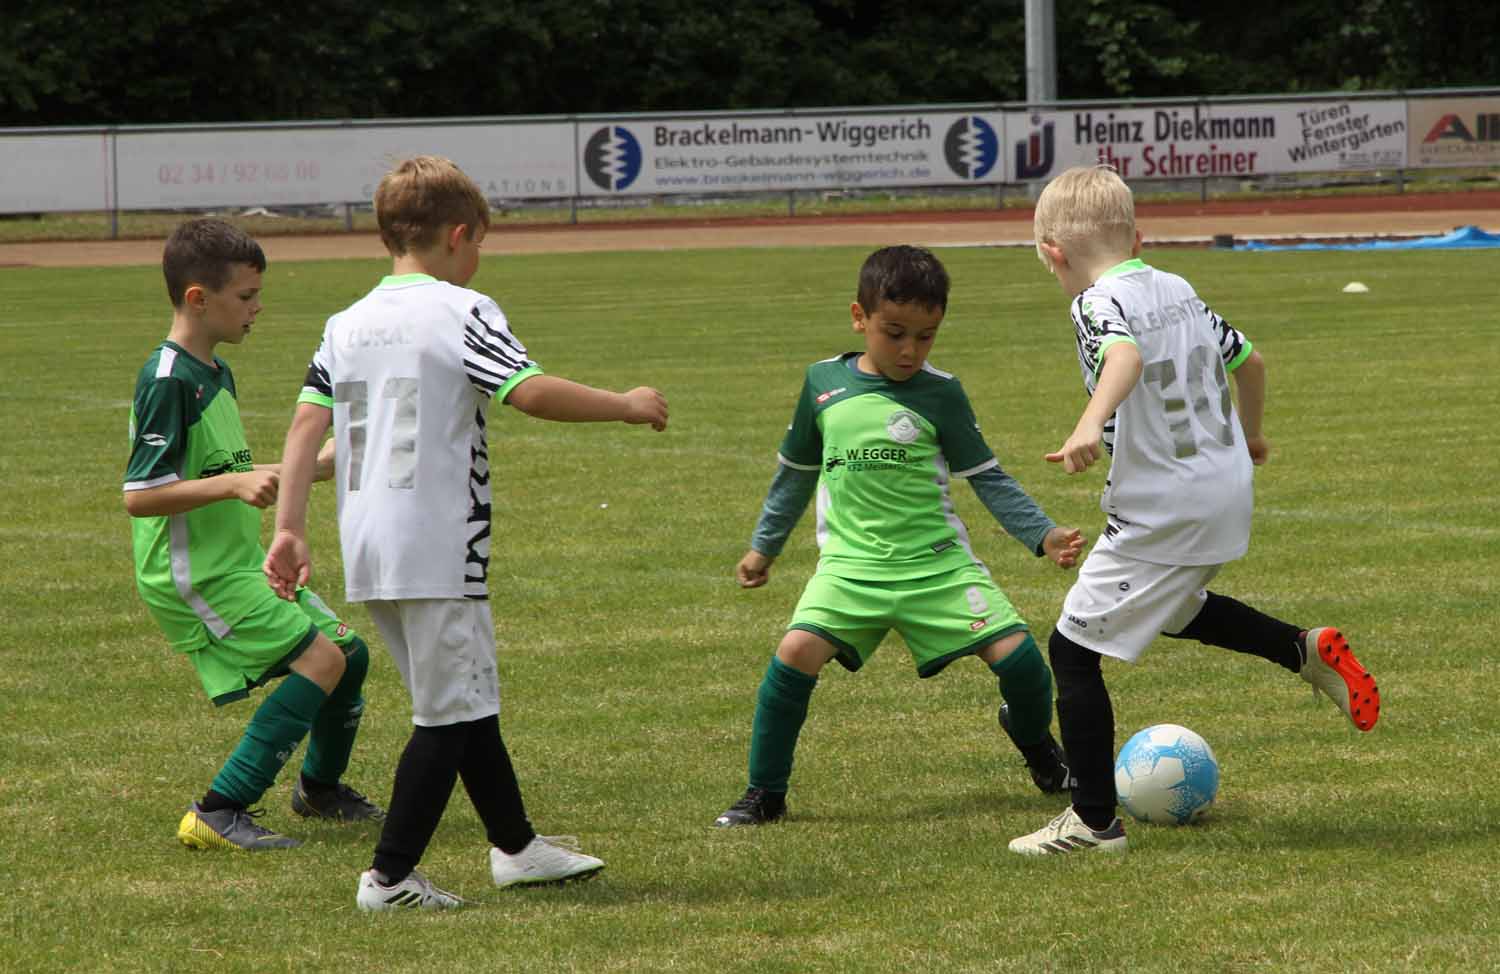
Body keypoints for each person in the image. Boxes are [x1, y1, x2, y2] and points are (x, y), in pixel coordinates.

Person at [264, 155, 670, 911]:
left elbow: (304, 430)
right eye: (479, 241)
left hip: (370, 545)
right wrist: (626, 402)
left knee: (465, 698)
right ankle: (388, 880)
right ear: (457, 235)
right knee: (445, 717)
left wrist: (288, 528)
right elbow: (531, 392)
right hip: (437, 544)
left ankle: (517, 849)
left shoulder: (346, 322)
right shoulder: (462, 309)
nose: (479, 258)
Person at [1008, 166, 1381, 856]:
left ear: (1053, 252)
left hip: (1164, 505)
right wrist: (1255, 433)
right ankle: (1301, 648)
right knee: (1173, 607)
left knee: (1071, 648)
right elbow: (1252, 360)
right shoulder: (1177, 288)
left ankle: (1093, 823)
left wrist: (1090, 423)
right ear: (1136, 236)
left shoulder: (1095, 303)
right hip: (1225, 487)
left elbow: (1121, 355)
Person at [713, 244, 1086, 829]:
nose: (910, 350)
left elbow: (987, 477)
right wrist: (765, 546)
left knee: (1020, 661)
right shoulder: (822, 385)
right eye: (895, 333)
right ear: (860, 318)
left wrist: (1043, 534)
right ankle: (765, 793)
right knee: (794, 654)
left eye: (926, 336)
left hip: (936, 566)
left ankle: (1034, 740)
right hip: (850, 569)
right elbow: (794, 475)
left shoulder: (942, 393)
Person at [124, 218, 384, 853]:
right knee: (320, 659)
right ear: (198, 298)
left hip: (236, 560)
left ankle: (319, 790)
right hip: (194, 573)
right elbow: (141, 495)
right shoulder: (168, 380)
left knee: (349, 656)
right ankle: (220, 808)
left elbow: (227, 471)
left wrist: (310, 468)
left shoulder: (213, 372)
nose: (257, 307)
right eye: (245, 297)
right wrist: (234, 488)